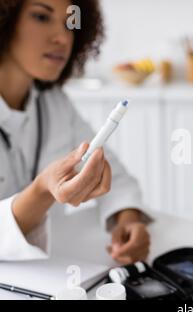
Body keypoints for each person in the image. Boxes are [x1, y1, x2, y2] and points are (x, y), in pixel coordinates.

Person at [0, 0, 151, 264]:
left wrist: (127, 219)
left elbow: (117, 177)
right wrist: (42, 191)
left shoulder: (54, 103)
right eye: (41, 17)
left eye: (70, 22)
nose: (62, 37)